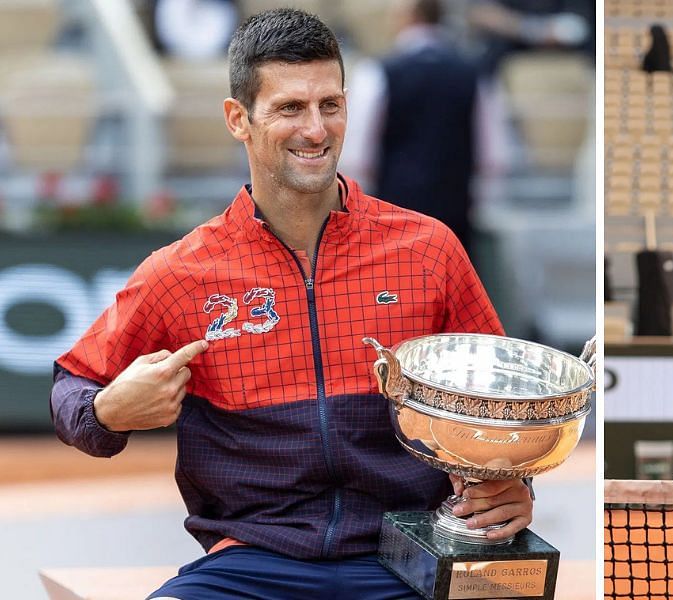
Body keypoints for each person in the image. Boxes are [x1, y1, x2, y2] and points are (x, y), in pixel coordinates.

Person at [50, 9, 532, 598]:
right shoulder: (181, 272)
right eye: (289, 108)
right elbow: (70, 386)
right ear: (238, 119)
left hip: (408, 554)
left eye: (330, 105)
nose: (316, 129)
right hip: (250, 563)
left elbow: (509, 400)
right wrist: (107, 411)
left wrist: (514, 487)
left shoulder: (428, 250)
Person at [341, 0, 480, 254]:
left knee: (397, 287)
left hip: (394, 202)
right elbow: (491, 150)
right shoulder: (473, 73)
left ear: (407, 16)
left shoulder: (378, 71)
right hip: (456, 203)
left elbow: (358, 147)